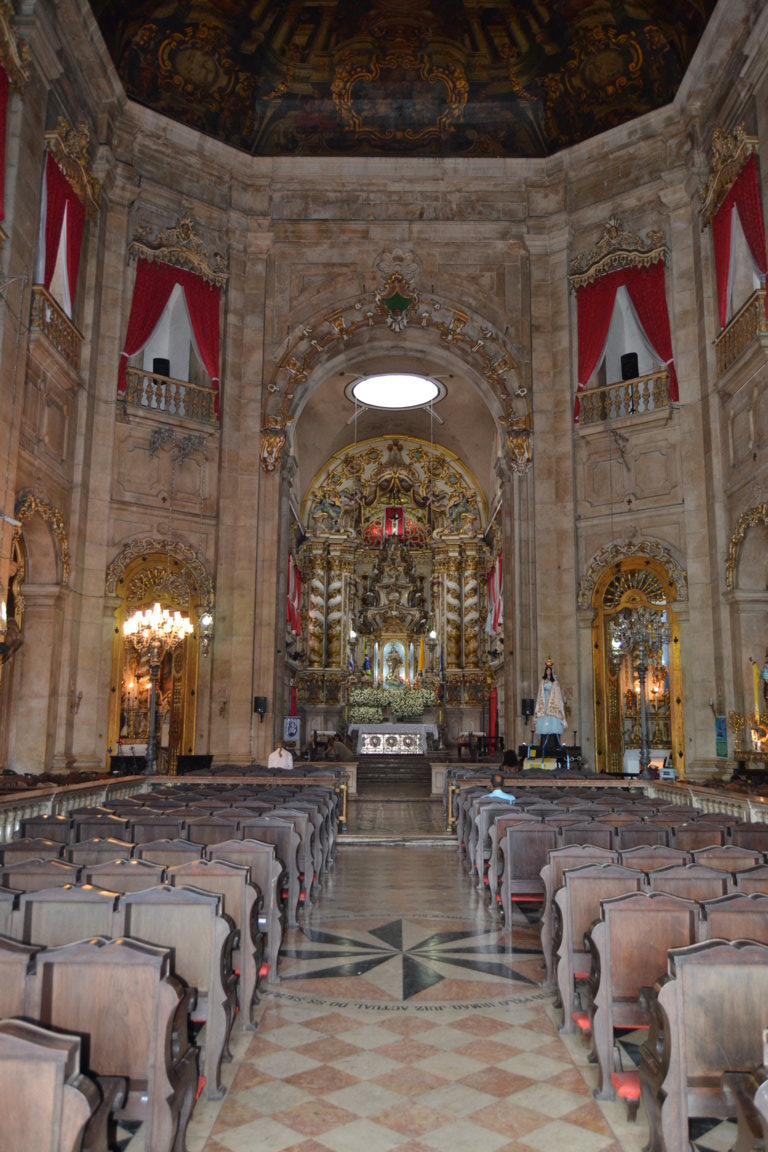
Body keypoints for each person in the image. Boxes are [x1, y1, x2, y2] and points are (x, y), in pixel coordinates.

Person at [534, 659, 567, 758]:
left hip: (552, 704)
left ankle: (555, 744)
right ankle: (543, 743)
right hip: (544, 703)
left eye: (549, 670)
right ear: (545, 671)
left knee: (553, 723)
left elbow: (557, 695)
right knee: (544, 723)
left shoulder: (555, 682)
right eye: (547, 670)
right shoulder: (542, 681)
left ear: (551, 671)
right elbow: (540, 693)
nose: (548, 672)